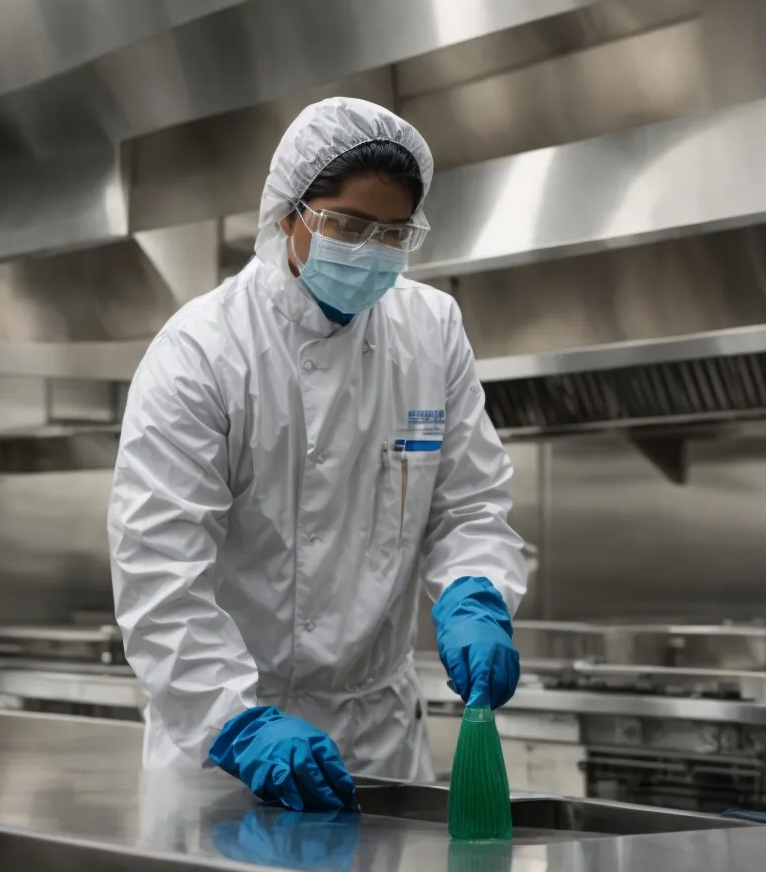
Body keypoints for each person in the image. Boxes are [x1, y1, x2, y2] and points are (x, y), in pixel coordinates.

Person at [108, 97, 528, 810]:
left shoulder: (430, 330)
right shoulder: (204, 351)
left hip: (381, 735)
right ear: (288, 215)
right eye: (346, 225)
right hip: (232, 744)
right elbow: (159, 569)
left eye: (393, 233)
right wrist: (237, 724)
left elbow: (470, 504)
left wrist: (475, 593)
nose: (369, 249)